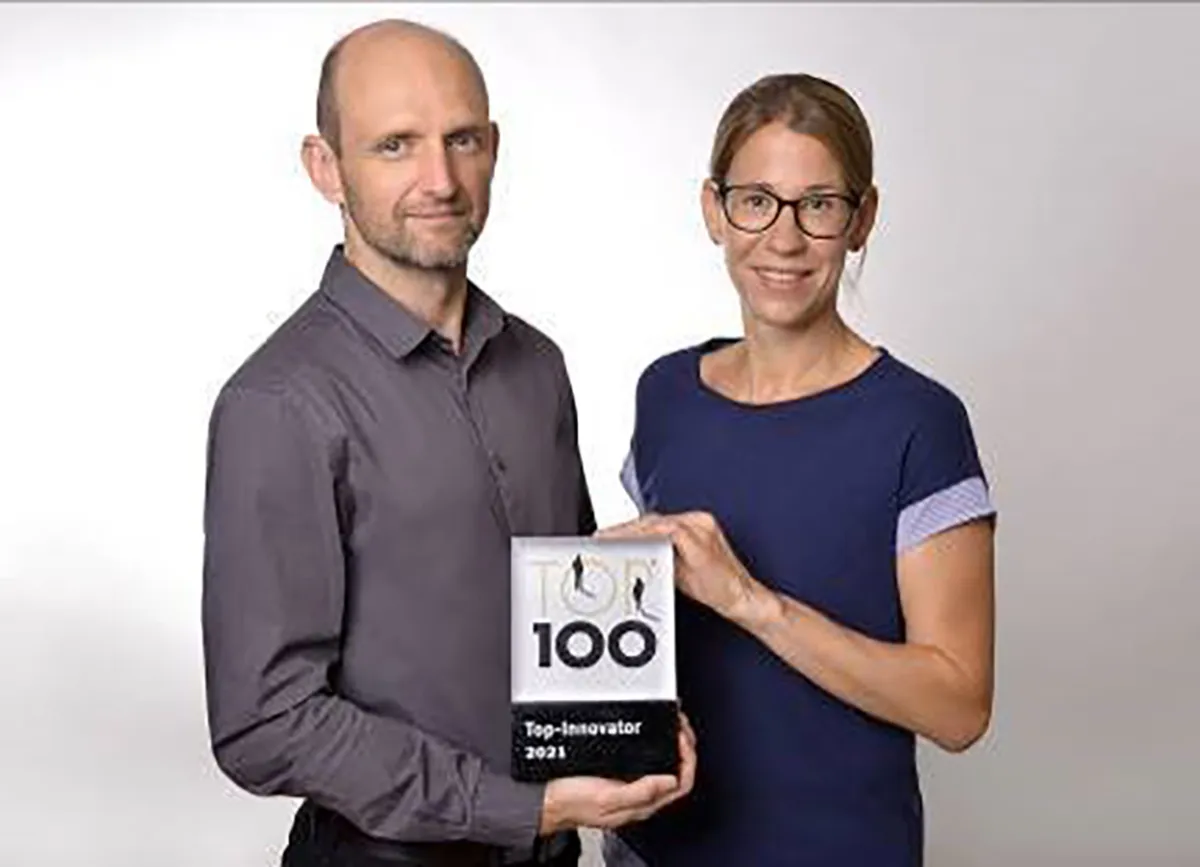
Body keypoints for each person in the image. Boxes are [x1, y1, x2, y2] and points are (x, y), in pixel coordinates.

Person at [200, 19, 694, 867]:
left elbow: (569, 612)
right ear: (327, 167)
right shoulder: (278, 403)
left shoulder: (538, 366)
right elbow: (264, 722)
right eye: (395, 145)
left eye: (461, 139)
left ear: (493, 148)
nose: (440, 179)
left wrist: (634, 719)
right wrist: (518, 807)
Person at [600, 73, 997, 866]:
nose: (783, 240)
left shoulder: (919, 422)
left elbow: (958, 707)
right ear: (714, 209)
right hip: (653, 851)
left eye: (818, 205)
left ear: (862, 219)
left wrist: (752, 602)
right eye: (756, 200)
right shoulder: (665, 394)